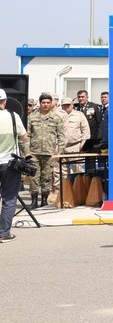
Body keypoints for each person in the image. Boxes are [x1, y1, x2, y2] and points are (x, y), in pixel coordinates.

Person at [0, 89, 30, 242]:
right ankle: (3, 233)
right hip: (8, 164)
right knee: (9, 198)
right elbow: (24, 138)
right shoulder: (13, 116)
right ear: (5, 101)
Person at [26, 93, 65, 208]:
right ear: (40, 103)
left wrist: (60, 152)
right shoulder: (32, 117)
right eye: (43, 102)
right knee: (33, 177)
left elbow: (61, 136)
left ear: (51, 103)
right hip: (34, 152)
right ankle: (33, 201)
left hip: (49, 153)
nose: (46, 105)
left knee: (47, 177)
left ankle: (44, 200)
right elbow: (27, 135)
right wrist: (27, 151)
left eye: (48, 102)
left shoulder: (56, 118)